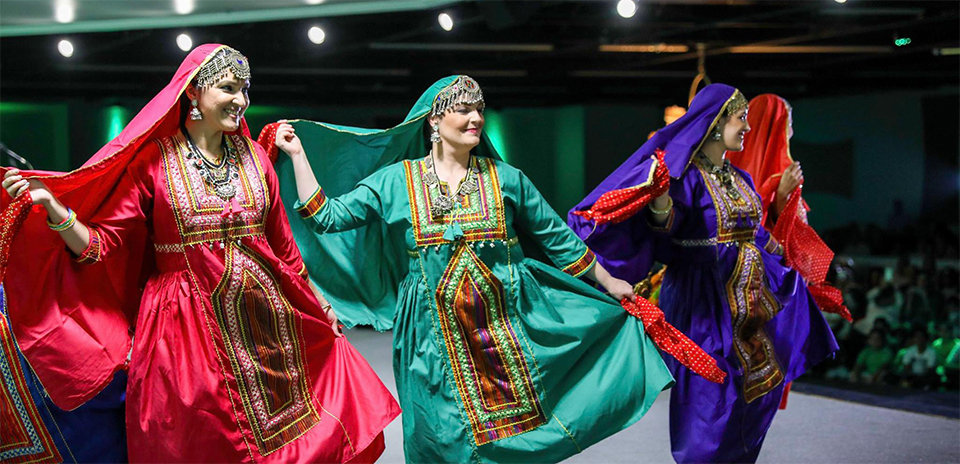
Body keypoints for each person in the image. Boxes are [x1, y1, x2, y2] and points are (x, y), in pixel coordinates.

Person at [0, 44, 399, 463]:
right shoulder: (153, 162)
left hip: (264, 329)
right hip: (183, 335)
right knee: (198, 444)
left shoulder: (255, 159)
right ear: (193, 93)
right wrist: (55, 209)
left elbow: (284, 249)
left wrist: (320, 304)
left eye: (245, 90)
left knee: (295, 438)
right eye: (228, 88)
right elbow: (102, 245)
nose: (241, 100)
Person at [260, 75, 675, 463]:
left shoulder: (507, 179)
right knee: (436, 434)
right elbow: (327, 217)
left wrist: (609, 282)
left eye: (479, 108)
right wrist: (296, 155)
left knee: (511, 437)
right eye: (464, 109)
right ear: (435, 120)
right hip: (429, 336)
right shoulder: (398, 181)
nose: (476, 117)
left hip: (503, 332)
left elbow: (558, 240)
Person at [569, 83, 838, 463]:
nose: (747, 127)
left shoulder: (741, 180)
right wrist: (660, 199)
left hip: (751, 301)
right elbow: (666, 230)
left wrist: (797, 263)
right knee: (709, 397)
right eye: (740, 118)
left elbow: (758, 235)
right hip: (702, 300)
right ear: (715, 124)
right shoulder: (686, 178)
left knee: (756, 392)